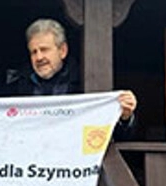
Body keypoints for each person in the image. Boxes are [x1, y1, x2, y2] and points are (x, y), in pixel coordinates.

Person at [8, 16, 136, 119]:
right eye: (33, 52)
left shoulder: (87, 81)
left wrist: (125, 117)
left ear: (62, 50)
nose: (39, 57)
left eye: (44, 50)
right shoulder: (17, 86)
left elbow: (117, 133)